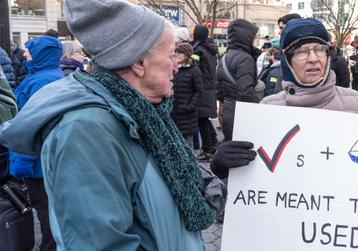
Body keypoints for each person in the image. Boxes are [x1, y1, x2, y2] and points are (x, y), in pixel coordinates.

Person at [0, 0, 215, 249]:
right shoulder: (85, 131)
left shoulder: (141, 111)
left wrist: (215, 174)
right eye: (170, 55)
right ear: (139, 63)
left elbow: (162, 193)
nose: (176, 66)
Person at [209, 18, 358, 182]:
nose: (313, 58)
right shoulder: (268, 110)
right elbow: (254, 183)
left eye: (320, 49)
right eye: (302, 51)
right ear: (287, 60)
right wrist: (224, 168)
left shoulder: (355, 104)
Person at [8, 35, 63, 251]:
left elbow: (28, 127)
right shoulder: (51, 76)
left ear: (41, 54)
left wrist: (21, 164)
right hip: (48, 159)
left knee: (45, 211)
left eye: (30, 50)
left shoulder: (39, 81)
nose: (25, 54)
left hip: (37, 163)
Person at [217, 19, 261, 142]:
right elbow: (246, 93)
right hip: (242, 116)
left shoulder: (225, 57)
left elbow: (218, 91)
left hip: (228, 113)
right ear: (245, 37)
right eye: (253, 36)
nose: (254, 39)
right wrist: (261, 105)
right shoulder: (245, 59)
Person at [192, 25, 219, 161]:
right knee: (204, 119)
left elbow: (195, 69)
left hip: (202, 88)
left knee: (201, 119)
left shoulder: (197, 50)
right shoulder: (210, 49)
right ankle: (212, 143)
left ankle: (208, 149)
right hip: (210, 87)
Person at [171, 42, 204, 146]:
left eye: (180, 53)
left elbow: (199, 91)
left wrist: (190, 106)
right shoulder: (172, 68)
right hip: (172, 114)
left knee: (186, 146)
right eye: (176, 52)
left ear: (187, 55)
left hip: (187, 115)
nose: (177, 55)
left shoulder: (194, 71)